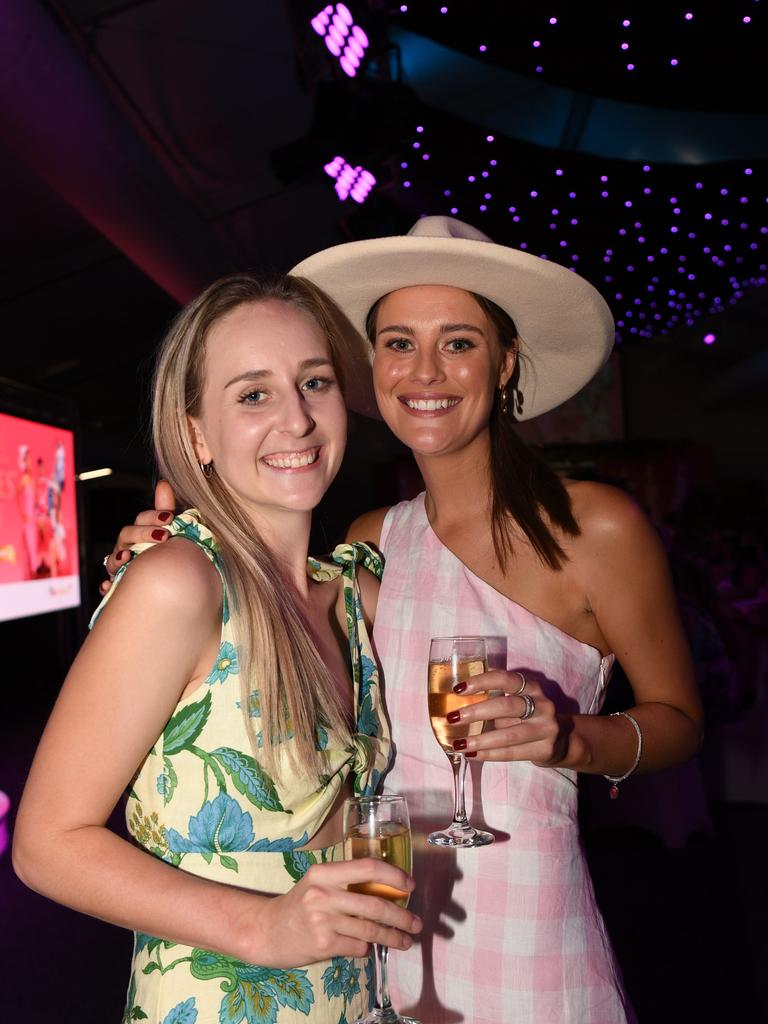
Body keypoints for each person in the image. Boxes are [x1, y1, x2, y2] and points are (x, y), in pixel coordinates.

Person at [103, 218, 703, 1023]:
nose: (426, 371)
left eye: (458, 343)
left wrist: (575, 741)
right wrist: (163, 550)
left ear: (505, 363)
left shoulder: (596, 528)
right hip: (380, 961)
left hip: (531, 951)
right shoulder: (369, 546)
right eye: (396, 342)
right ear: (373, 367)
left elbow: (680, 722)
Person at [13, 273, 422, 1024]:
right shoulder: (180, 584)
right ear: (196, 433)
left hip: (353, 1001)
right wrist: (262, 926)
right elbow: (46, 844)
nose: (296, 420)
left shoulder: (357, 601)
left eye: (315, 382)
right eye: (253, 394)